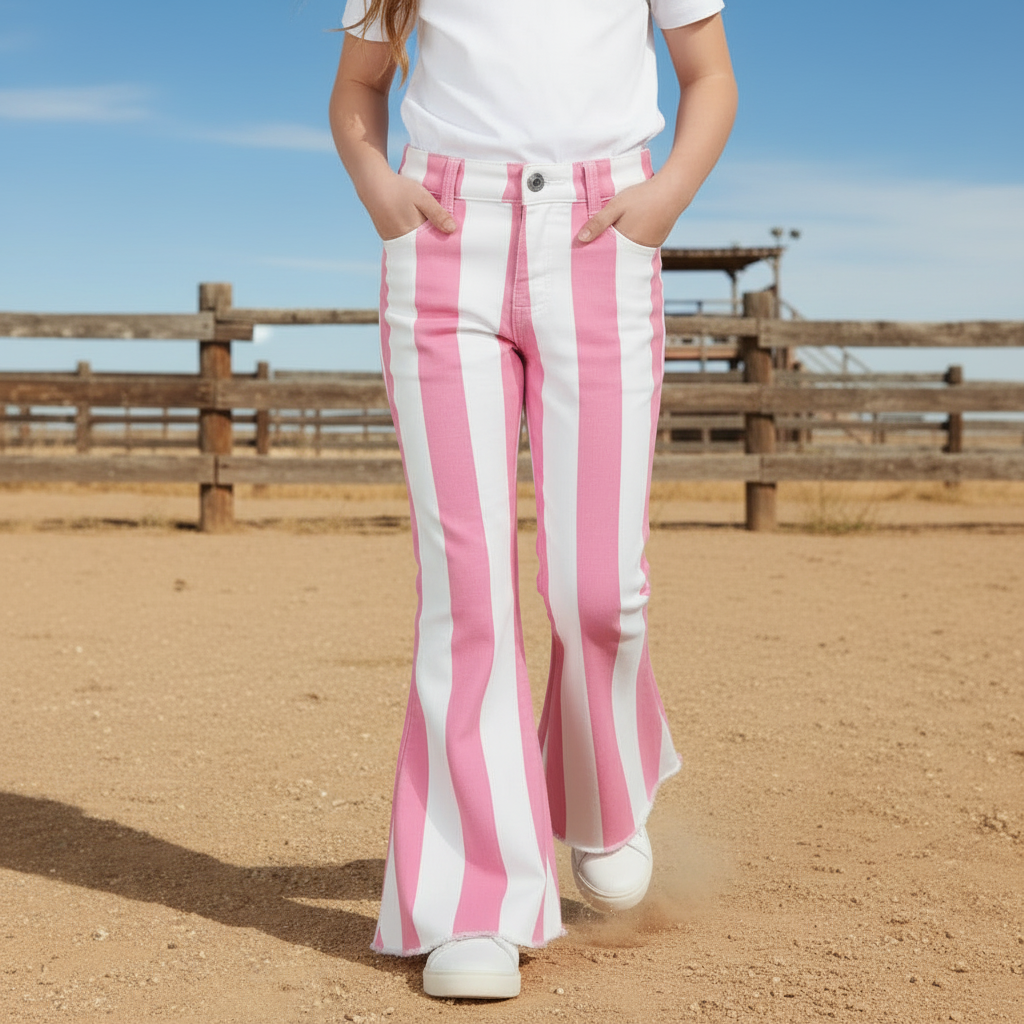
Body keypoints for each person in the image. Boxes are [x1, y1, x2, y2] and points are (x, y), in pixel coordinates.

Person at [329, 0, 736, 1001]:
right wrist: (381, 191)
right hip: (443, 240)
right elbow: (357, 91)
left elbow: (710, 77)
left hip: (601, 235)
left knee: (598, 589)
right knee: (467, 595)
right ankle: (473, 903)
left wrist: (665, 199)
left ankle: (602, 794)